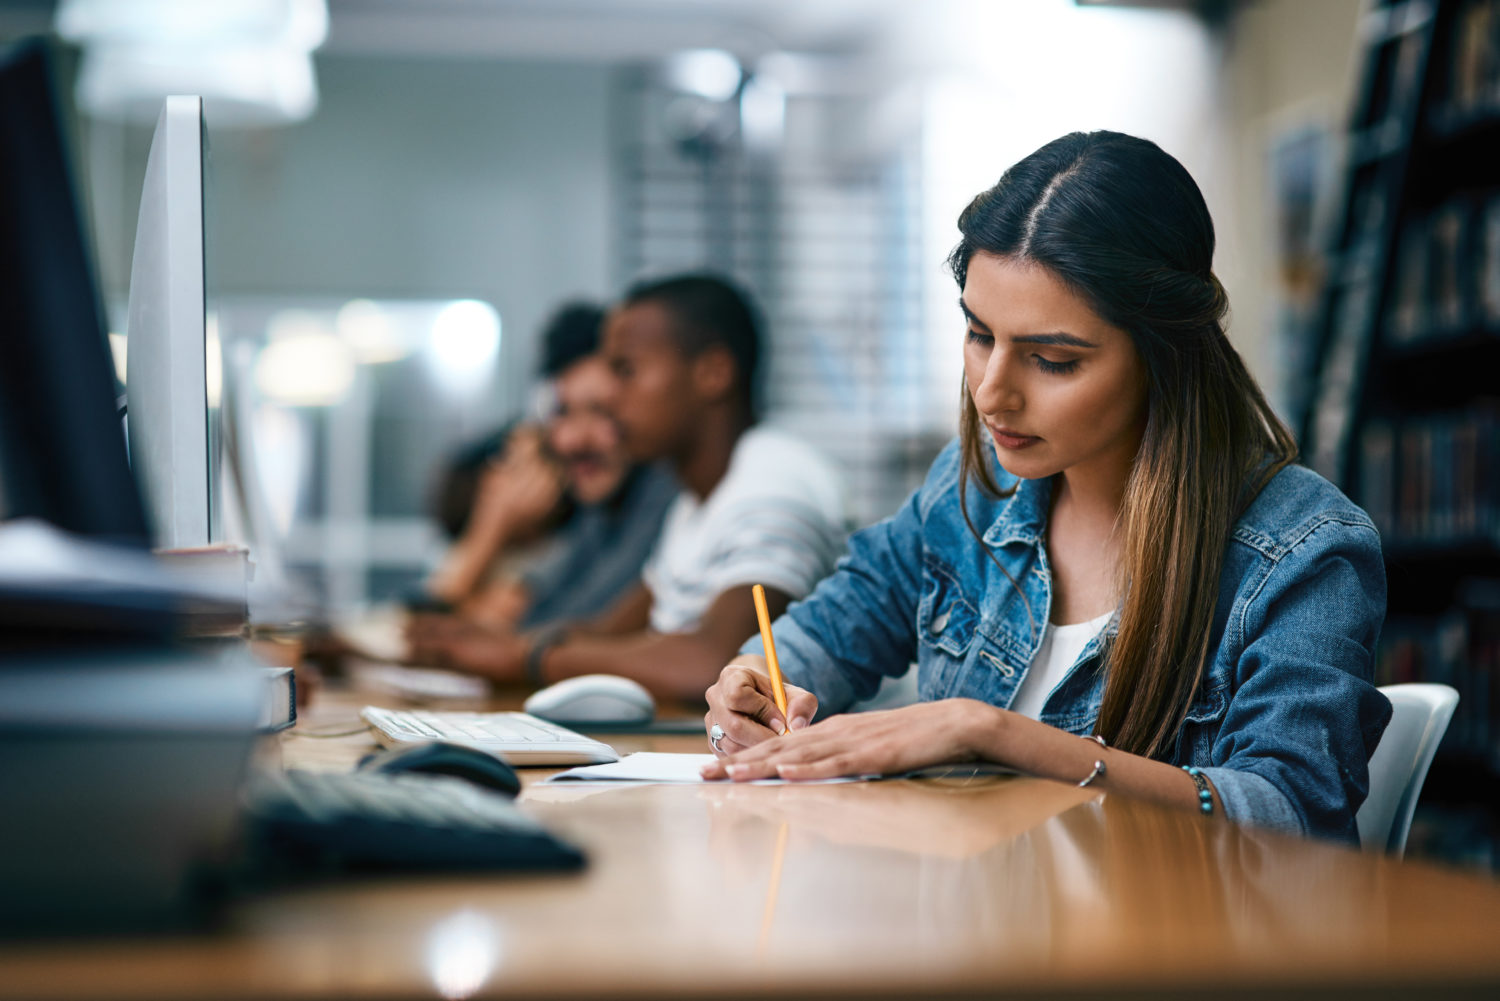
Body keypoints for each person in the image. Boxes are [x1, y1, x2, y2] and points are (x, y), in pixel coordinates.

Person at [700, 131, 1391, 844]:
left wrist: (990, 732)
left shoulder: (1304, 550)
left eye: (1052, 360)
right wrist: (752, 680)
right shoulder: (971, 488)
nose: (993, 393)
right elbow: (826, 631)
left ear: (1163, 357)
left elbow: (1290, 816)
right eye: (978, 333)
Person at [408, 274, 849, 703]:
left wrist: (526, 657)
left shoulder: (772, 479)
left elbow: (718, 664)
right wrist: (469, 644)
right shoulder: (696, 502)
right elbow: (611, 631)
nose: (611, 398)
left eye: (626, 371)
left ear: (713, 372)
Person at [422, 302, 677, 629]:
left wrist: (492, 526)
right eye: (562, 412)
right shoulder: (597, 514)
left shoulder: (663, 490)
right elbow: (540, 618)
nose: (574, 440)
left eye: (601, 411)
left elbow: (564, 630)